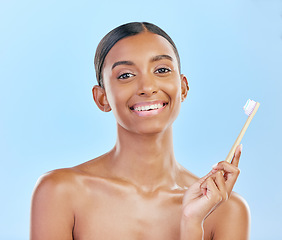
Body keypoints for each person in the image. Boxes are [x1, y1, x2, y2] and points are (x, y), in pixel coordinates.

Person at [30, 22, 250, 240]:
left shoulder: (226, 210)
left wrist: (192, 224)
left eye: (162, 70)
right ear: (102, 98)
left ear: (183, 88)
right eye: (126, 75)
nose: (147, 87)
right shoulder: (59, 193)